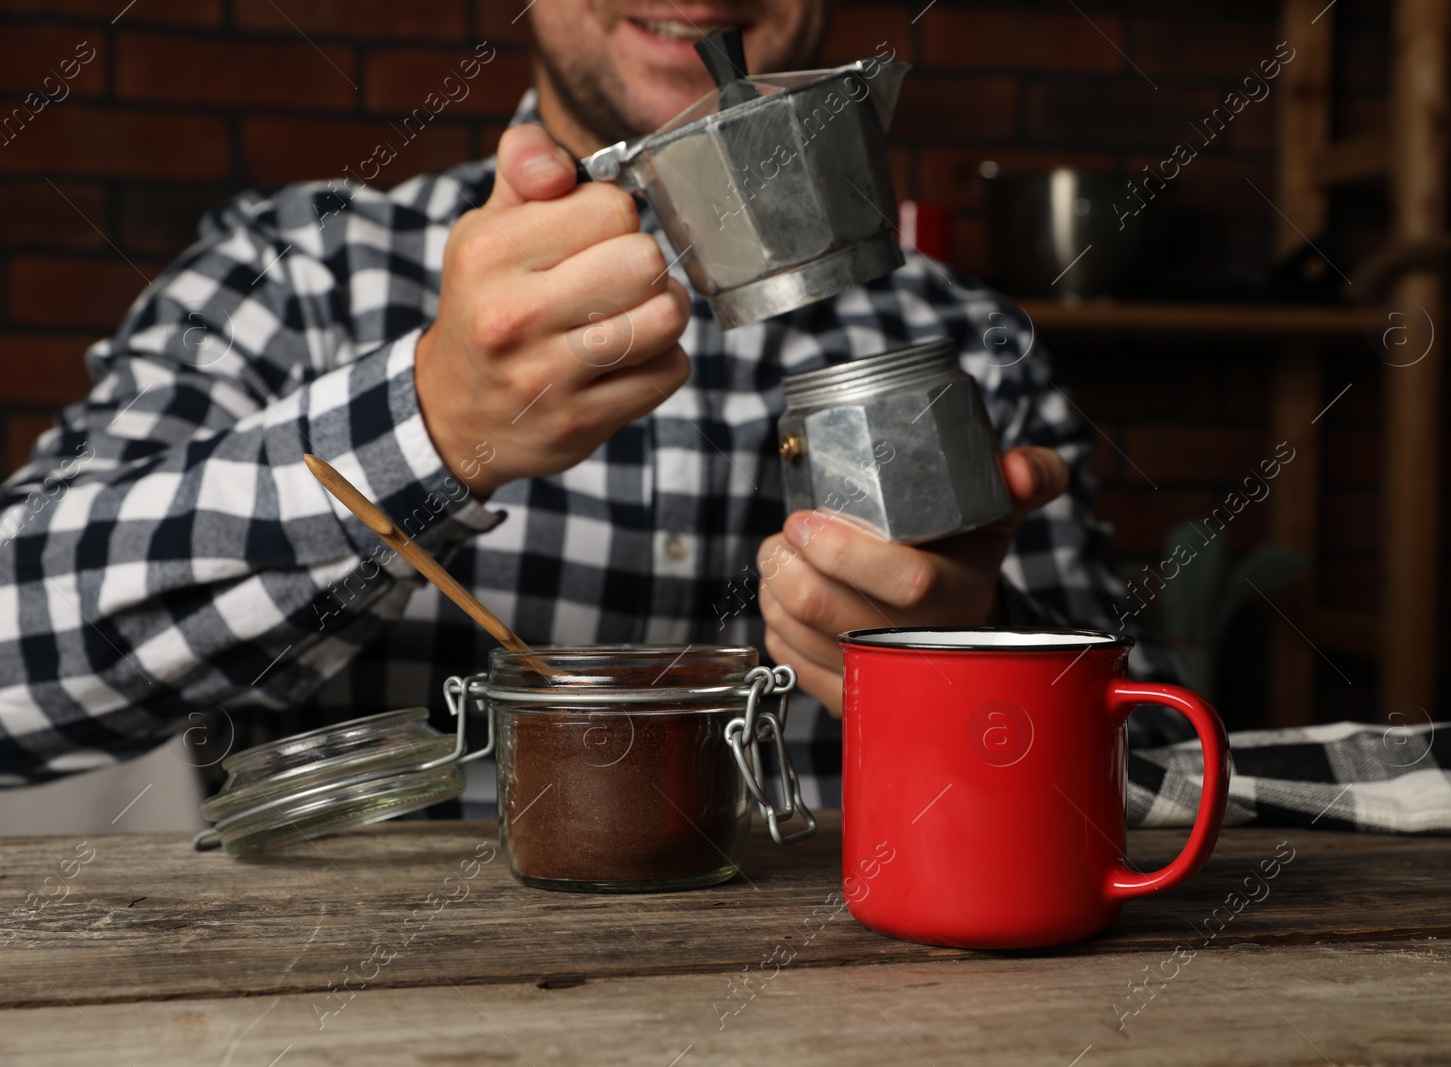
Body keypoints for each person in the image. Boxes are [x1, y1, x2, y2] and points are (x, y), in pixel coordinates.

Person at [0, 1, 1182, 805]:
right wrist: (431, 422)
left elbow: (1137, 783)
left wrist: (971, 655)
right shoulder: (303, 270)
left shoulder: (968, 346)